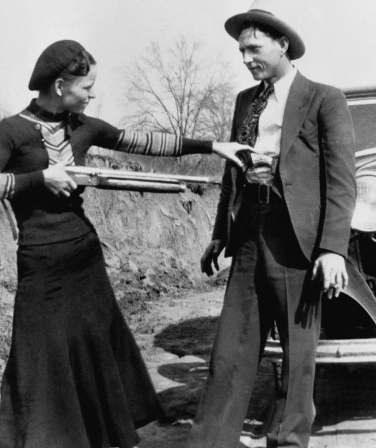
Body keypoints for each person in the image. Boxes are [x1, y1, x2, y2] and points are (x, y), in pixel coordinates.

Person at [0, 40, 249, 448]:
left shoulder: (85, 126)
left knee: (92, 351)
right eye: (87, 87)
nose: (92, 95)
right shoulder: (10, 130)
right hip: (41, 264)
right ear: (61, 85)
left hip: (84, 256)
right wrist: (40, 178)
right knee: (39, 355)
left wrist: (212, 146)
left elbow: (145, 142)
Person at [188, 2, 356, 448]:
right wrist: (220, 232)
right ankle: (210, 443)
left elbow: (342, 180)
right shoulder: (245, 101)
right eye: (241, 51)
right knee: (229, 351)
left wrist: (333, 248)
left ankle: (288, 441)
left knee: (299, 357)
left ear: (282, 45)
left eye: (254, 49)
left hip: (296, 240)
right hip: (249, 232)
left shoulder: (325, 98)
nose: (245, 59)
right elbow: (233, 170)